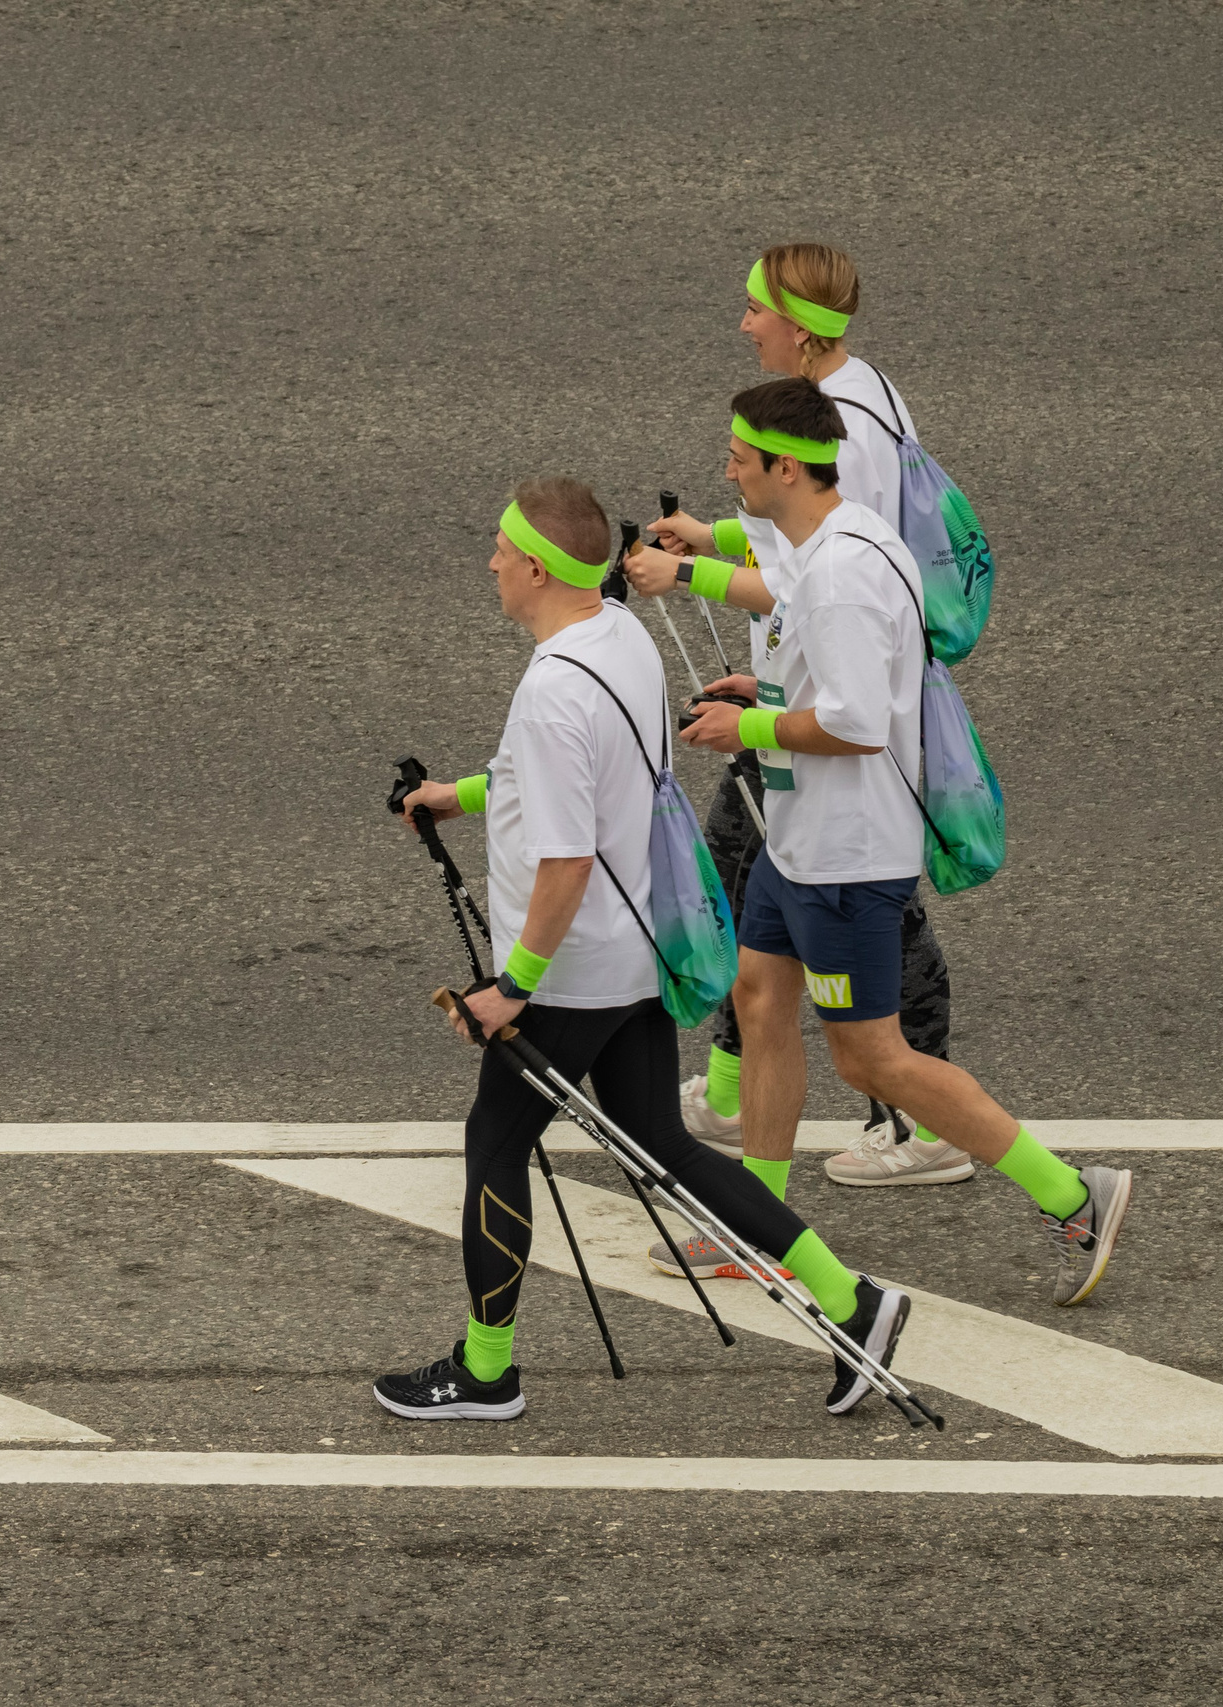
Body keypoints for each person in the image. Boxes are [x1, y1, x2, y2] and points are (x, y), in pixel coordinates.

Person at [372, 476, 913, 1423]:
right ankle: (852, 1300)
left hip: (571, 970)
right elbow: (580, 767)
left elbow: (566, 861)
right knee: (665, 1144)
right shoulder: (616, 636)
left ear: (535, 567)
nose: (491, 562)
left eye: (501, 551)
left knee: (493, 1143)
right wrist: (460, 793)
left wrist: (511, 987)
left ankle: (486, 1369)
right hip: (638, 954)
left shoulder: (548, 690)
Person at [668, 380, 1130, 1307]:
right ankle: (761, 1229)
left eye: (738, 458)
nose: (727, 471)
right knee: (760, 1001)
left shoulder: (837, 576)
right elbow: (826, 671)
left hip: (846, 857)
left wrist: (747, 733)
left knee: (871, 1059)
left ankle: (1076, 1194)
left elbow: (856, 722)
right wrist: (759, 693)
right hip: (800, 843)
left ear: (785, 466)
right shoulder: (837, 542)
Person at [626, 243, 967, 1197]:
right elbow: (798, 531)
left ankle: (921, 1116)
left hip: (842, 729)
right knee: (762, 931)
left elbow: (812, 577)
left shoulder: (842, 432)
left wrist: (688, 573)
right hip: (808, 702)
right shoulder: (850, 396)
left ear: (801, 323)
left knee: (858, 922)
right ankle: (746, 1106)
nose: (743, 324)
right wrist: (716, 534)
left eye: (754, 308)